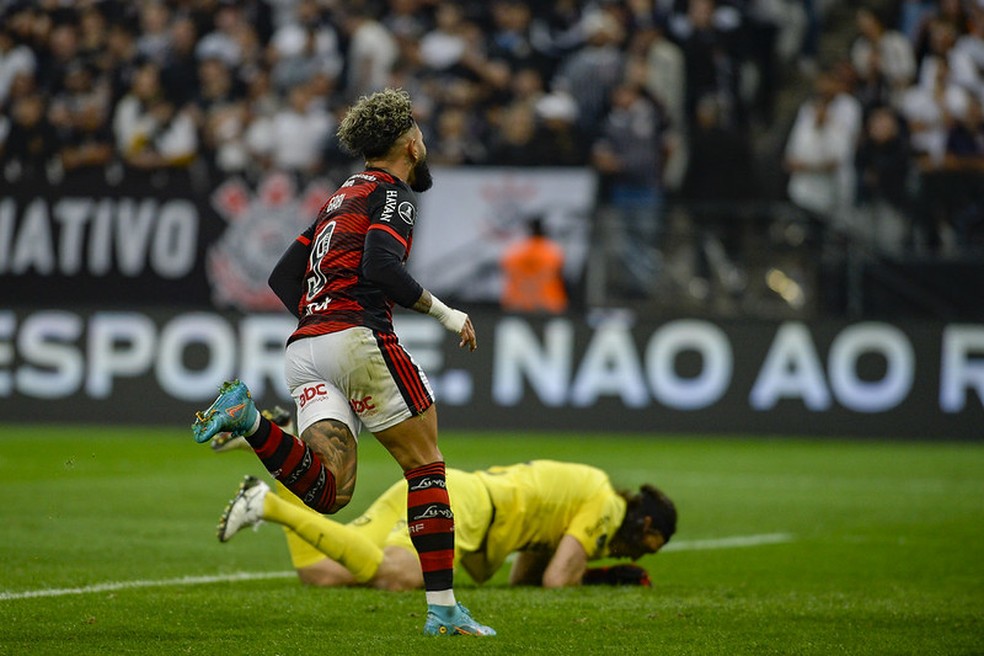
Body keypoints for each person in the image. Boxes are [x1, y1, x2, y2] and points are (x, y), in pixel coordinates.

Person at [191, 88, 494, 637]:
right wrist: (447, 314)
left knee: (330, 492)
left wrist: (323, 317)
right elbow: (381, 265)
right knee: (426, 467)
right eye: (420, 133)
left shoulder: (340, 197)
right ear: (409, 144)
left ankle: (251, 421)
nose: (423, 141)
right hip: (357, 339)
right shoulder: (393, 193)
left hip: (305, 348)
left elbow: (283, 275)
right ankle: (444, 611)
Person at [215, 459, 677, 590]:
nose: (636, 554)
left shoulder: (587, 498)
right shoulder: (607, 506)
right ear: (643, 523)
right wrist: (600, 577)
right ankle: (265, 505)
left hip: (455, 490)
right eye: (646, 546)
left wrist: (589, 571)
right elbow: (558, 580)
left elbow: (527, 577)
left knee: (319, 572)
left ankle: (276, 456)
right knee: (402, 576)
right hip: (468, 506)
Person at [500, 217, 569, 314]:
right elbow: (560, 273)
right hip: (549, 303)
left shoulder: (514, 251)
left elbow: (507, 271)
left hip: (518, 302)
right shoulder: (552, 251)